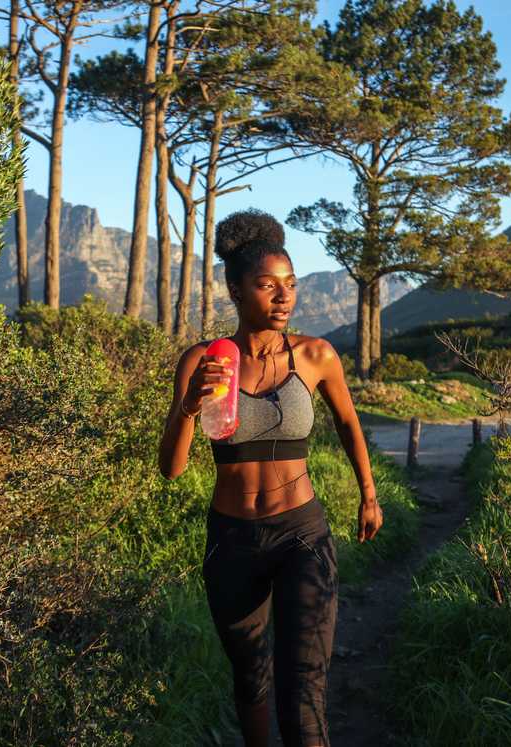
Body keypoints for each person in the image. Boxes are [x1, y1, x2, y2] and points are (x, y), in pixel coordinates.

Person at [158, 208, 383, 746]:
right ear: (235, 291)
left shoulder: (315, 355)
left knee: (302, 687)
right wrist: (189, 406)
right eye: (267, 286)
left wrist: (369, 496)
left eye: (291, 285)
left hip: (302, 533)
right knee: (251, 679)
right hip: (232, 540)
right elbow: (171, 468)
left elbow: (350, 425)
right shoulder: (202, 361)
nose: (285, 297)